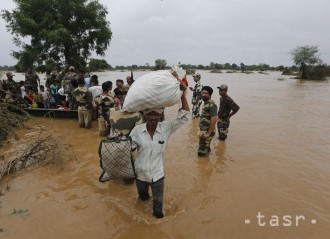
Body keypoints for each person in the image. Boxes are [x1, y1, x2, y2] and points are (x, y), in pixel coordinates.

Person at [129, 84, 190, 218]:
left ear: (160, 116)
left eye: (156, 114)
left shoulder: (166, 128)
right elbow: (129, 148)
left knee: (158, 212)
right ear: (145, 116)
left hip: (158, 175)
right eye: (150, 114)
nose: (153, 117)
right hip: (140, 175)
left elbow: (185, 117)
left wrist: (183, 95)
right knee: (143, 200)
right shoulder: (137, 131)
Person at [198, 86, 218, 156]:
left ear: (210, 94)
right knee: (206, 150)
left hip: (207, 132)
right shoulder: (206, 103)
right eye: (202, 93)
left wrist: (208, 133)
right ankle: (207, 165)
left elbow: (214, 119)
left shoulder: (212, 104)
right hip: (204, 131)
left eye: (206, 93)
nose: (203, 94)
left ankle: (203, 166)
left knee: (201, 154)